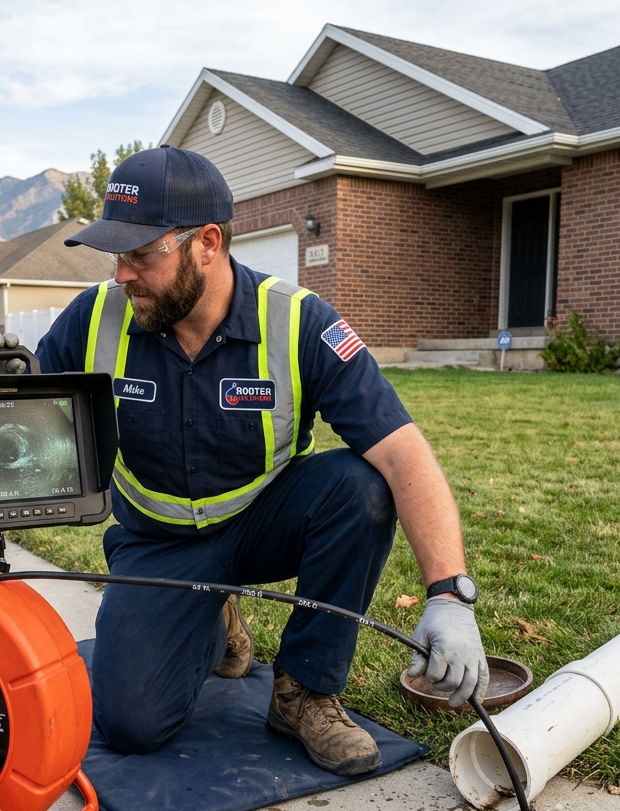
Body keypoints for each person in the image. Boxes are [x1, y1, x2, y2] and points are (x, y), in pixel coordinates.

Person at [36, 146, 488, 776]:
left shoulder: (299, 322)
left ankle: (303, 692)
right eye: (117, 256)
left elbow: (403, 452)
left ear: (208, 243)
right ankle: (217, 614)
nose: (123, 275)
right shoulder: (95, 319)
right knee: (133, 725)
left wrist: (450, 597)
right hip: (159, 543)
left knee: (362, 487)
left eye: (141, 255)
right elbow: (25, 408)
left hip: (262, 524)